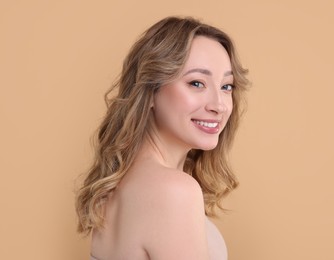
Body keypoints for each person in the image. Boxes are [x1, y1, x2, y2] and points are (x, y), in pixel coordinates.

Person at [75, 16, 249, 260]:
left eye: (227, 86)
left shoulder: (118, 185)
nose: (219, 105)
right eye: (197, 83)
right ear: (151, 92)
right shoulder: (173, 191)